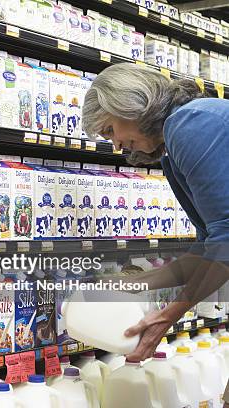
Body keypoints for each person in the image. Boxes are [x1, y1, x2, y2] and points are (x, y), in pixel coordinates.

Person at [82, 63, 229, 404]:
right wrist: (132, 283)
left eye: (110, 130)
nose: (117, 144)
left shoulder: (189, 124)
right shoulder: (173, 148)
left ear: (131, 104)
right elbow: (208, 248)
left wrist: (167, 315)